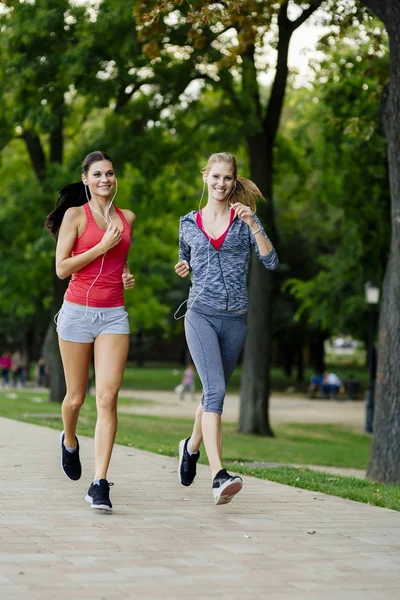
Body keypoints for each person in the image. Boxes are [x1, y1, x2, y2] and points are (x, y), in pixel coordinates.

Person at [175, 152, 278, 505]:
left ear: (234, 182)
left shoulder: (243, 220)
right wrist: (183, 265)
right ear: (205, 177)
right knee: (216, 391)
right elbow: (184, 252)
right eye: (215, 177)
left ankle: (189, 448)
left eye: (227, 178)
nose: (221, 184)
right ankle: (218, 474)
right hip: (200, 314)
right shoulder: (188, 222)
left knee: (210, 395)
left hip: (235, 319)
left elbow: (271, 260)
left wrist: (253, 224)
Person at [45, 150, 136, 512]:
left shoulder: (126, 218)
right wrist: (101, 246)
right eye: (97, 174)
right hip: (76, 315)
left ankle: (99, 483)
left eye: (110, 173)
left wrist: (126, 273)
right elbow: (61, 268)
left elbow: (120, 261)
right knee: (76, 398)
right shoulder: (75, 217)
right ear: (85, 179)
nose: (105, 179)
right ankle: (69, 439)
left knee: (108, 398)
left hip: (114, 315)